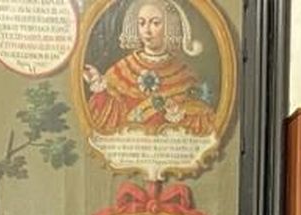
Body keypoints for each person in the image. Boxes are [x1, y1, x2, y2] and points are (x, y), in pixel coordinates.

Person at [84, 0, 217, 137]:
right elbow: (107, 120)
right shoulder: (121, 70)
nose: (147, 30)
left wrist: (180, 115)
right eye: (142, 23)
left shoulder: (185, 74)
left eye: (155, 23)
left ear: (168, 26)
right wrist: (99, 88)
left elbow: (202, 126)